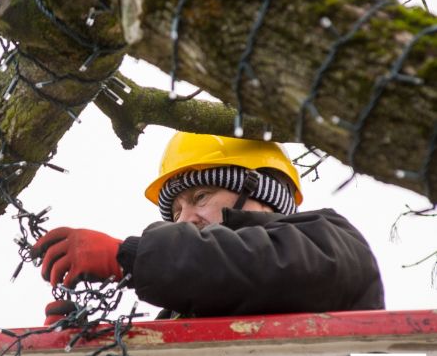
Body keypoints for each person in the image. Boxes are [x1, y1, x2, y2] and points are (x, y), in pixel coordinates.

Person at [32, 131, 385, 323]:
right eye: (177, 209)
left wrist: (130, 257)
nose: (185, 218)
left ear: (260, 191)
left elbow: (255, 267)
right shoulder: (178, 313)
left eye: (201, 196)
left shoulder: (331, 242)